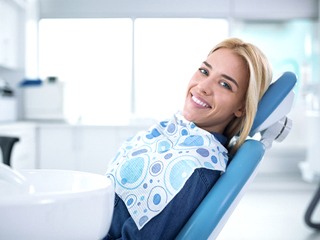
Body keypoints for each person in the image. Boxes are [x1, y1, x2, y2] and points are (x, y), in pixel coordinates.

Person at [104, 37, 272, 239]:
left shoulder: (192, 169)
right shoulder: (171, 131)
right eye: (204, 71)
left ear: (242, 107)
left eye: (225, 84)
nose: (202, 87)